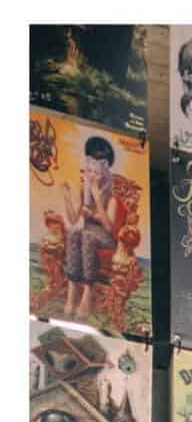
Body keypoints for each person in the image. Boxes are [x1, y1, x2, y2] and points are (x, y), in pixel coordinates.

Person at [62, 135, 120, 322]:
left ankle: (87, 291)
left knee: (86, 235)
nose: (92, 172)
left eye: (97, 165)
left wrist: (96, 198)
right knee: (74, 233)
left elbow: (109, 227)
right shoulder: (83, 188)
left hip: (105, 236)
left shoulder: (111, 197)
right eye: (90, 165)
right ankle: (72, 290)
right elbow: (72, 220)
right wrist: (66, 196)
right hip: (87, 231)